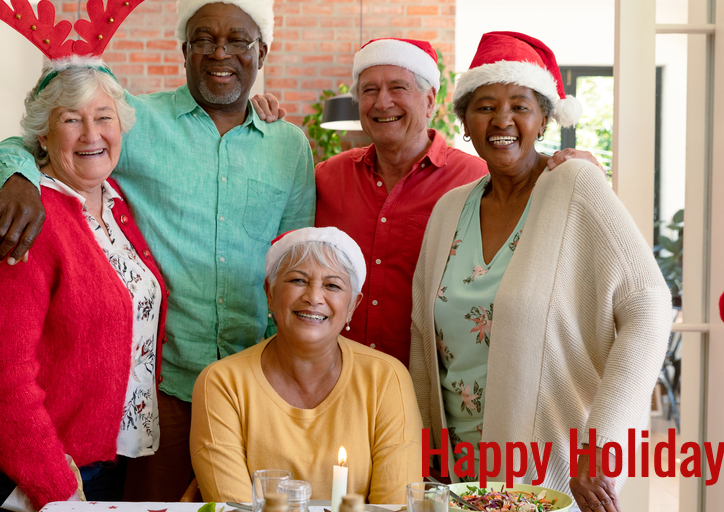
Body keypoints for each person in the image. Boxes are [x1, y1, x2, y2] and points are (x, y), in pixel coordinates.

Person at [0, 0, 315, 500]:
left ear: (261, 53)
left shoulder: (290, 146)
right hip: (161, 389)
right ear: (183, 50)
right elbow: (38, 142)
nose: (220, 52)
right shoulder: (135, 122)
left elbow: (293, 262)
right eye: (203, 38)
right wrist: (18, 180)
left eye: (238, 40)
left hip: (254, 384)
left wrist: (279, 373)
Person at [409, 32, 671, 512]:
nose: (502, 119)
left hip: (548, 481)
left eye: (520, 105)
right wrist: (425, 458)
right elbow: (422, 345)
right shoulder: (449, 211)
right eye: (484, 106)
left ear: (545, 118)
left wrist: (603, 441)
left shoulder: (575, 185)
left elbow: (650, 305)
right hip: (456, 481)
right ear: (464, 123)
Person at [0, 55, 168, 512]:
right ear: (42, 137)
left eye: (103, 117)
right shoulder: (26, 221)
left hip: (107, 458)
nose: (92, 134)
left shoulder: (114, 205)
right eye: (71, 119)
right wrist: (56, 486)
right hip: (40, 471)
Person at [315, 38, 601, 367]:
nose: (382, 102)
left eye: (398, 87)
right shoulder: (326, 177)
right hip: (337, 384)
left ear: (429, 100)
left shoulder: (479, 181)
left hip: (434, 390)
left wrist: (583, 178)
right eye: (369, 90)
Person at [190, 227, 422, 503]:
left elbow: (395, 507)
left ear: (352, 306)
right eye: (298, 280)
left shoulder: (387, 378)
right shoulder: (221, 382)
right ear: (270, 293)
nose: (313, 297)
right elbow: (233, 508)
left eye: (332, 285)